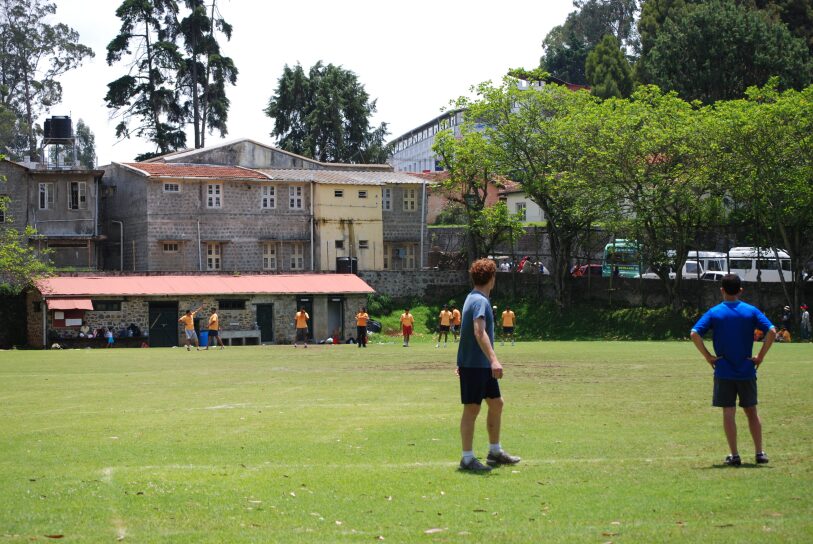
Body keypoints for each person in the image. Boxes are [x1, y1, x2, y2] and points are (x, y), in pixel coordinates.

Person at [690, 274, 776, 467]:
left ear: (721, 290)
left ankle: (734, 455)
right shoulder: (751, 311)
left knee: (728, 412)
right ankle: (759, 453)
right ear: (740, 291)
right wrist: (760, 356)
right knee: (751, 411)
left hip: (724, 370)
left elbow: (694, 334)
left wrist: (708, 356)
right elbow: (772, 331)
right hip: (746, 369)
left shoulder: (714, 312)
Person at [456, 258, 521, 472]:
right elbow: (478, 331)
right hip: (477, 366)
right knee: (472, 409)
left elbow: (465, 333)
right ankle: (467, 458)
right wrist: (494, 359)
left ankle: (494, 452)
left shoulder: (472, 298)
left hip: (478, 366)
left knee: (496, 404)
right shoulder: (480, 301)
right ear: (492, 278)